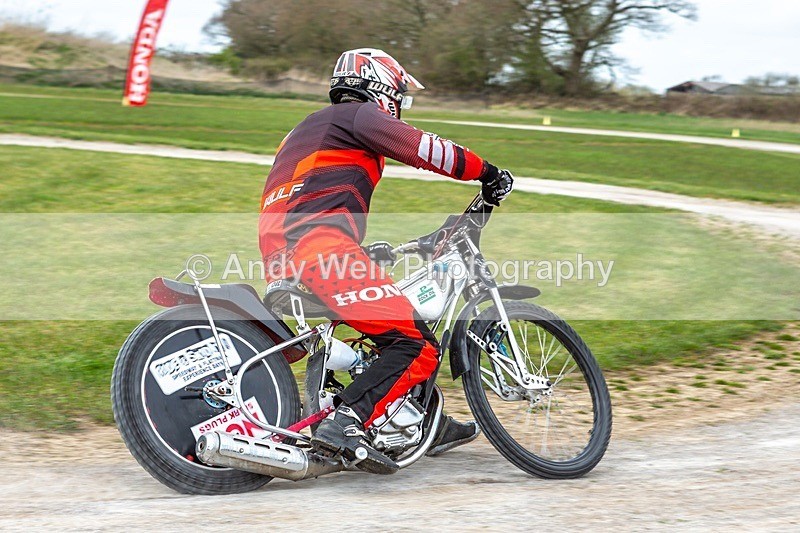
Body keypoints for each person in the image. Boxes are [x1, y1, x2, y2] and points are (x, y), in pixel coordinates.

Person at [259, 48, 513, 474]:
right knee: (417, 344)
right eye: (399, 97)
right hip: (320, 247)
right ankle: (346, 421)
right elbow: (423, 148)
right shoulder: (358, 116)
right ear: (380, 86)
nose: (399, 107)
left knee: (390, 325)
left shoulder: (305, 130)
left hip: (285, 254)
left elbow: (311, 196)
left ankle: (422, 421)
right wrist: (487, 172)